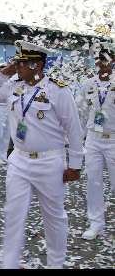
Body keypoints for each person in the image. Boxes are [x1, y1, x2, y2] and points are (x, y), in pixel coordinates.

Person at [0, 40, 84, 269]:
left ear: (37, 65)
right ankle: (9, 263)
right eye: (17, 62)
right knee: (14, 213)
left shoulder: (57, 90)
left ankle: (56, 264)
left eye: (21, 63)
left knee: (53, 217)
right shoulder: (14, 86)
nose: (17, 66)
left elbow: (74, 129)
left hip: (49, 161)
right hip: (19, 160)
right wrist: (6, 71)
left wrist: (75, 165)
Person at [78, 43, 115, 240]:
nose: (102, 64)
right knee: (93, 182)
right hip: (93, 139)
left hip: (113, 139)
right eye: (99, 60)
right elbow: (82, 112)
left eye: (106, 60)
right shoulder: (88, 84)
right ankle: (96, 223)